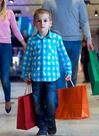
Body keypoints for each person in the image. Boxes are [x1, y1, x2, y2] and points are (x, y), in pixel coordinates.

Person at [21, 8, 72, 136]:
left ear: (50, 23)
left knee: (51, 102)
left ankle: (50, 121)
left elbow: (64, 56)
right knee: (37, 104)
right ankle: (42, 127)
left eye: (45, 20)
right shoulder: (32, 41)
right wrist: (25, 73)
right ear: (35, 23)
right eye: (39, 21)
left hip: (52, 78)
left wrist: (68, 71)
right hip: (36, 79)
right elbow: (27, 58)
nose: (42, 23)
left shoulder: (56, 39)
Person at [42, 0, 94, 87]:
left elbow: (84, 21)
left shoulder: (78, 0)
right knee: (59, 73)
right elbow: (42, 23)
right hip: (56, 42)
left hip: (75, 42)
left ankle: (70, 100)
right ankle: (61, 102)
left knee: (72, 74)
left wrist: (89, 38)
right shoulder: (48, 2)